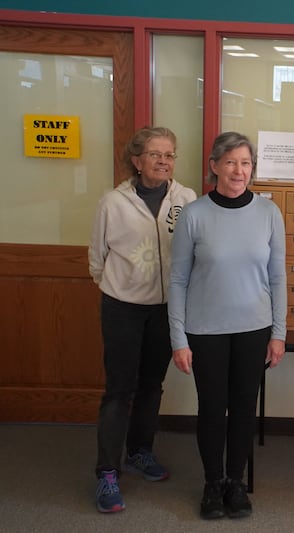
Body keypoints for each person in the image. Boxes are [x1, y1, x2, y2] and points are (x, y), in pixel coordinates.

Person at [168, 131, 287, 520]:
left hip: (254, 327)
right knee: (211, 408)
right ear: (214, 166)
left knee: (243, 409)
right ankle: (212, 483)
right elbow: (178, 280)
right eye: (231, 162)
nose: (239, 170)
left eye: (246, 163)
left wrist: (279, 333)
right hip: (205, 330)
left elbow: (278, 278)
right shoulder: (194, 214)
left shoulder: (269, 213)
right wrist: (178, 338)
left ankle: (235, 482)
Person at [88, 126, 197, 513]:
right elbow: (97, 260)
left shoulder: (186, 199)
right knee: (119, 389)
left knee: (152, 385)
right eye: (155, 154)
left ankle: (140, 452)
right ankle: (107, 472)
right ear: (137, 160)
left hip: (166, 309)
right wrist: (123, 288)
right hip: (122, 306)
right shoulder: (113, 203)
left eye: (169, 155)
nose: (163, 161)